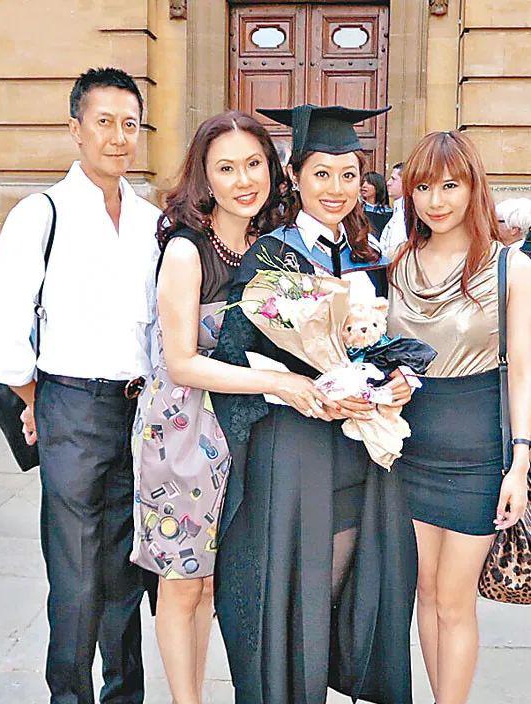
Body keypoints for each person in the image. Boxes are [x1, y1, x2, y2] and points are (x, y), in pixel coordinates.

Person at [211, 104, 418, 704]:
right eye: (321, 173)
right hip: (294, 450)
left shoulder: (369, 255)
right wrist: (302, 390)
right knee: (298, 593)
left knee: (348, 585)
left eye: (349, 174)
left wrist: (398, 380)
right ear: (295, 176)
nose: (336, 188)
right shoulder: (271, 256)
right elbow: (237, 357)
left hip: (358, 451)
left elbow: (385, 345)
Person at [130, 110, 331, 704]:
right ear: (204, 176)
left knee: (216, 583)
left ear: (272, 168)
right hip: (185, 432)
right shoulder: (187, 251)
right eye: (226, 168)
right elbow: (180, 362)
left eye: (253, 164)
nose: (244, 180)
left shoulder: (271, 248)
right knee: (182, 584)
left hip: (245, 432)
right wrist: (279, 383)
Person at [0, 67, 161, 703]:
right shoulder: (43, 214)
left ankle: (124, 694)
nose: (119, 137)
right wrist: (36, 401)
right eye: (104, 122)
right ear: (76, 129)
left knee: (127, 568)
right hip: (71, 405)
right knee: (76, 570)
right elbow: (4, 322)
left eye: (130, 124)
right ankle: (69, 695)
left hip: (138, 410)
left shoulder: (150, 221)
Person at [388, 131, 531, 704]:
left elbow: (522, 372)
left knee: (454, 598)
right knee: (424, 593)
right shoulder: (398, 266)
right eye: (423, 187)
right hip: (408, 449)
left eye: (450, 185)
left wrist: (520, 463)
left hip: (478, 454)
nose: (436, 200)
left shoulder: (510, 267)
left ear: (474, 187)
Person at [380, 161, 407, 260]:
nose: (388, 183)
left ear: (406, 182)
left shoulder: (408, 214)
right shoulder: (398, 211)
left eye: (393, 179)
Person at [360, 170, 392, 239]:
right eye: (363, 182)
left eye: (369, 183)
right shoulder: (358, 210)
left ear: (378, 186)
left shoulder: (388, 212)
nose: (364, 185)